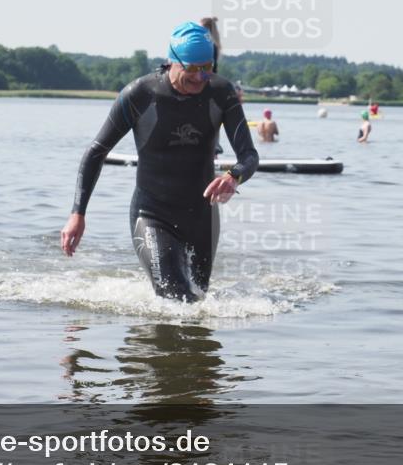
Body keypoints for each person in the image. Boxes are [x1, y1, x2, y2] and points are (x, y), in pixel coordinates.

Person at [60, 21, 259, 303]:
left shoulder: (221, 93)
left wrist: (233, 175)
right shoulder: (140, 95)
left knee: (199, 300)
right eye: (192, 69)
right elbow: (96, 152)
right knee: (177, 296)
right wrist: (77, 213)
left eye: (207, 68)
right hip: (153, 212)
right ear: (172, 62)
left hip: (202, 216)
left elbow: (249, 155)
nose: (200, 77)